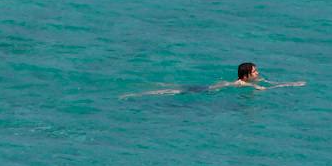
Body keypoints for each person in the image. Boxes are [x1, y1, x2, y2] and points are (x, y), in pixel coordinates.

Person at [120, 62, 305, 98]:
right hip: (205, 90)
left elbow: (271, 84)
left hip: (208, 88)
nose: (257, 74)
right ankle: (134, 94)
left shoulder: (255, 82)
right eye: (254, 72)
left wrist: (293, 83)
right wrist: (290, 86)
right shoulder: (241, 84)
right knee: (170, 91)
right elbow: (268, 89)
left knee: (174, 88)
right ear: (247, 75)